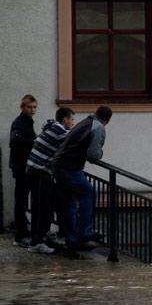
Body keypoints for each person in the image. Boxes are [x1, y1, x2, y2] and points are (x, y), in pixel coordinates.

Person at [52, 105, 112, 253]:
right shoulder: (98, 127)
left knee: (69, 203)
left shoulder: (84, 122)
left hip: (59, 165)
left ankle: (71, 240)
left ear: (96, 113)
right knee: (89, 193)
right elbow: (93, 154)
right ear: (107, 120)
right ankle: (85, 231)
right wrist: (100, 153)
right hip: (70, 167)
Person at [25, 107, 75, 254]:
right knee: (41, 208)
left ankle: (43, 236)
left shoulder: (52, 127)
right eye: (71, 119)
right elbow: (74, 142)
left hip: (37, 171)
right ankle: (36, 242)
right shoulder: (59, 130)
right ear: (65, 119)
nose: (72, 123)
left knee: (47, 205)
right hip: (40, 171)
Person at [9, 94, 37, 247]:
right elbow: (15, 140)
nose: (32, 110)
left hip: (24, 167)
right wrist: (34, 141)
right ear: (22, 107)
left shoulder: (27, 121)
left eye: (34, 107)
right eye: (29, 107)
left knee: (23, 200)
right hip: (21, 168)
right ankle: (20, 235)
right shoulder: (20, 122)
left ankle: (24, 231)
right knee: (21, 200)